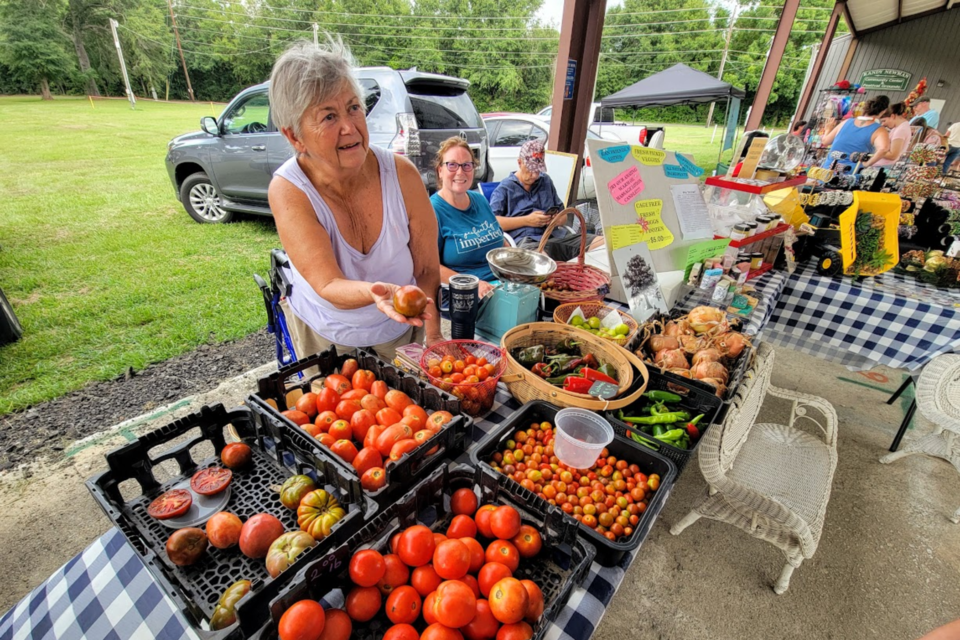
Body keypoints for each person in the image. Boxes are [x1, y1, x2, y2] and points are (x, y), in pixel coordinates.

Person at [267, 39, 444, 362]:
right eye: (329, 117)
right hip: (327, 334)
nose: (350, 127)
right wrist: (377, 293)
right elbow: (328, 283)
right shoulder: (289, 190)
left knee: (411, 408)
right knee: (334, 411)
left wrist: (433, 333)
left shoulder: (402, 175)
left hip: (402, 330)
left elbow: (427, 267)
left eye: (353, 107)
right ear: (294, 136)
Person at [489, 139, 603, 262]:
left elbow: (563, 217)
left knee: (602, 245)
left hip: (556, 237)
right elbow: (493, 223)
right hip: (528, 242)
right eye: (531, 170)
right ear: (519, 162)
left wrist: (555, 219)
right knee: (543, 264)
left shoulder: (545, 181)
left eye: (538, 170)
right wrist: (527, 220)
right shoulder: (505, 188)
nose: (535, 175)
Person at [430, 137, 503, 299]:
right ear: (440, 171)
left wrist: (522, 261)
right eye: (452, 165)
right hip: (464, 293)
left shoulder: (480, 200)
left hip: (501, 284)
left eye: (466, 165)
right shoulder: (432, 210)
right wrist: (472, 284)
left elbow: (501, 240)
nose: (460, 172)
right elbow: (430, 266)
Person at [820, 95, 891, 170]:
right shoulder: (880, 130)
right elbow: (883, 149)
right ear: (884, 111)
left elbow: (825, 141)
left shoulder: (846, 122)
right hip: (850, 173)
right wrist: (867, 164)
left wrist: (828, 129)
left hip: (828, 170)